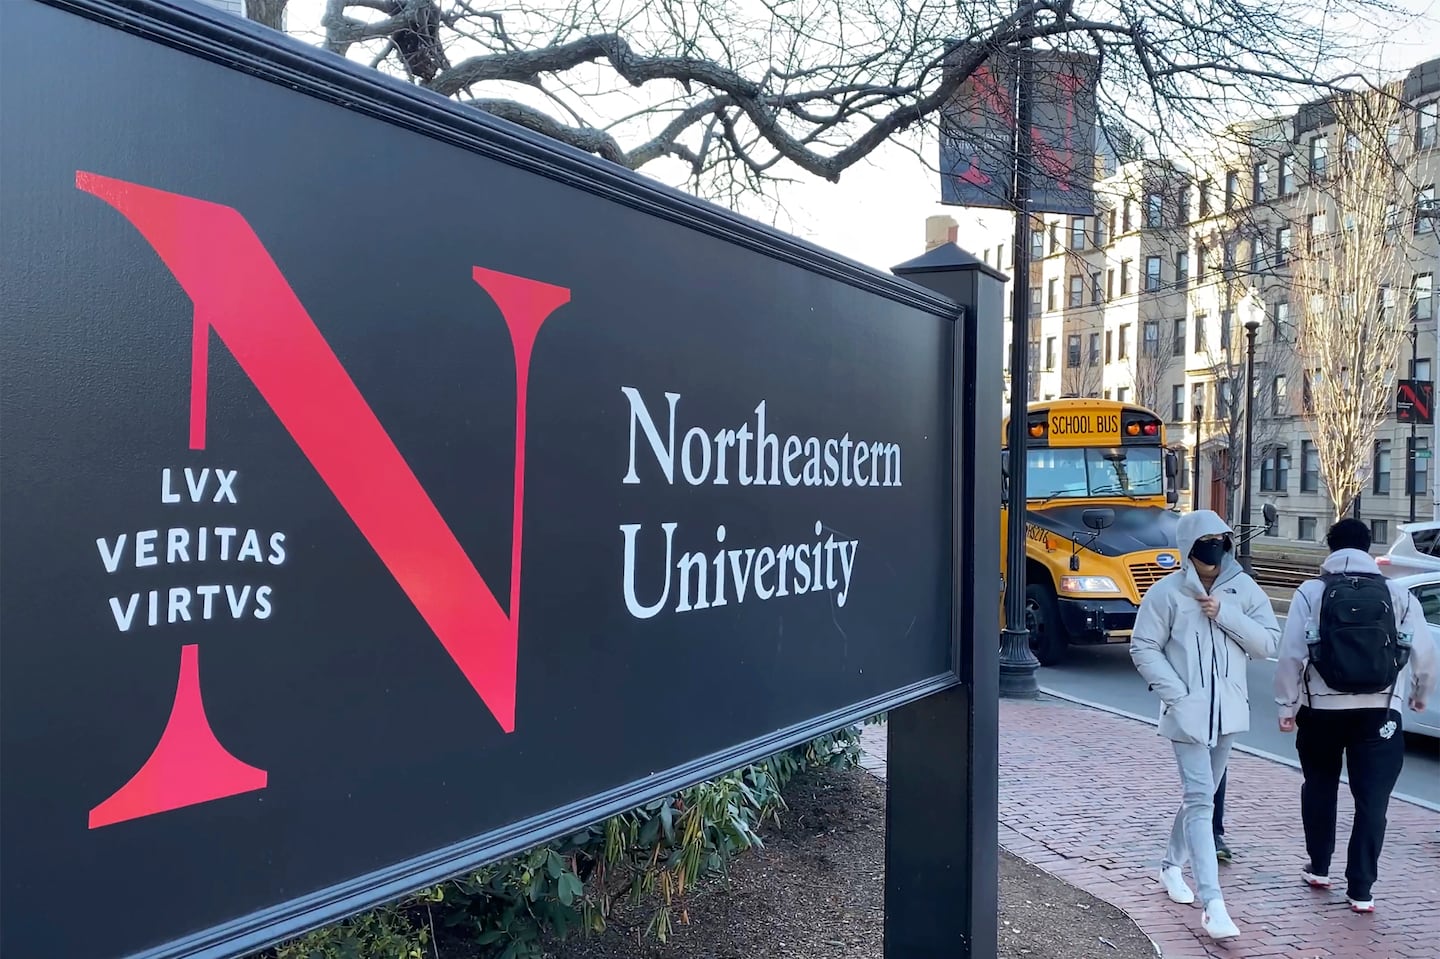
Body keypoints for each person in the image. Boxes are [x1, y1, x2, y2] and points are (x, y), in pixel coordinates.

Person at [1130, 509, 1280, 942]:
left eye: (1222, 537)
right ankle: (1214, 904)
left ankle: (1170, 866)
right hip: (1186, 716)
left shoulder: (1243, 589)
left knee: (1203, 795)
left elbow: (1267, 643)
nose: (1217, 545)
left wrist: (1224, 613)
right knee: (1201, 799)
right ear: (1190, 546)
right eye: (1208, 538)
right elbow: (1144, 647)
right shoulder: (1166, 594)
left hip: (1229, 712)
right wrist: (1177, 697)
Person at [1274, 518, 1438, 913]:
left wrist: (1287, 705)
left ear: (1330, 548)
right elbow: (1424, 653)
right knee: (1372, 801)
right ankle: (1361, 889)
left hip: (1321, 710)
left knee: (1319, 786)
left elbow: (1292, 653)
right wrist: (1418, 695)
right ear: (1367, 547)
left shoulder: (1311, 592)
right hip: (1379, 712)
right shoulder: (1397, 594)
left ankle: (1319, 868)